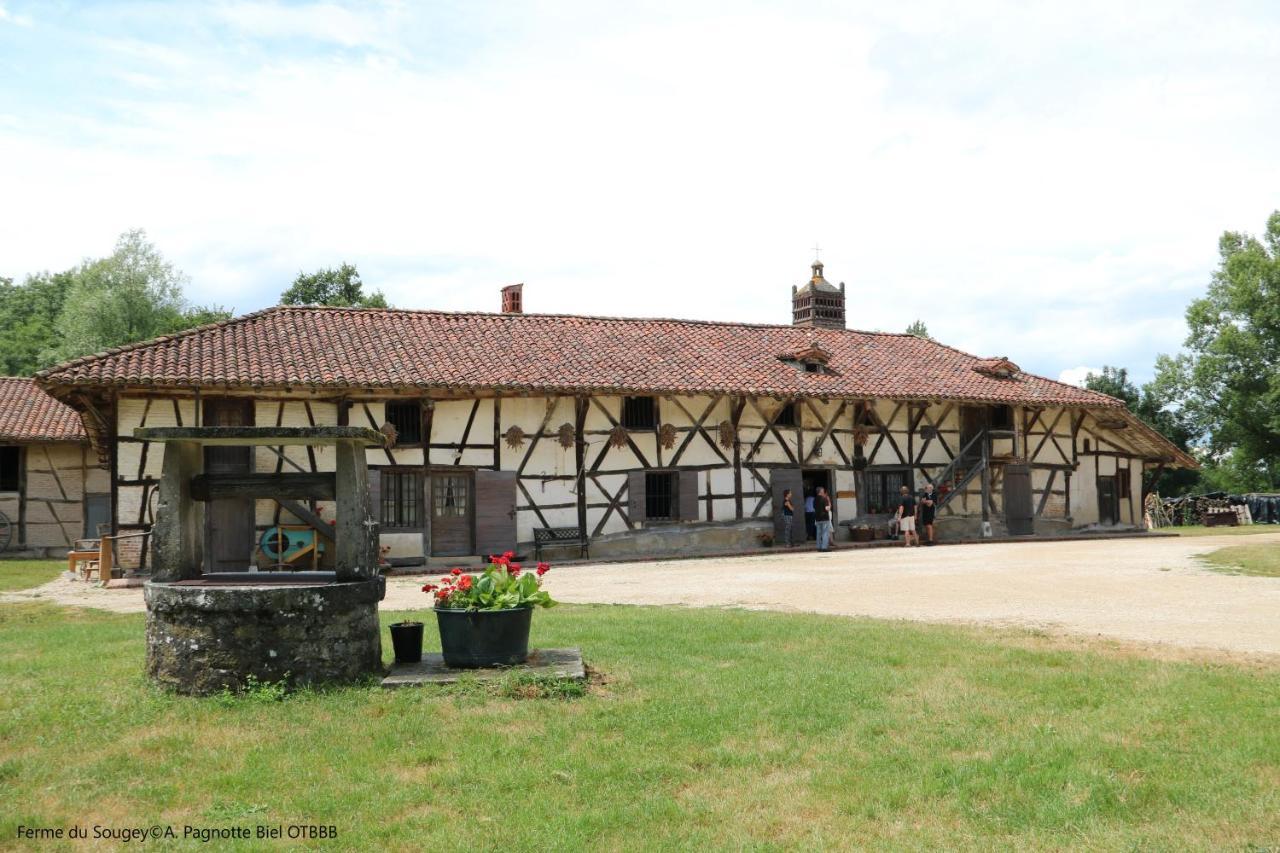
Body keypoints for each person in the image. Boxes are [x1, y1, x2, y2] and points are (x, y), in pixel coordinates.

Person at [814, 486, 834, 551]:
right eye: (823, 490)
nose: (824, 491)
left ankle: (818, 547)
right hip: (824, 518)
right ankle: (824, 547)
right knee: (825, 533)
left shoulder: (815, 499)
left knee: (818, 533)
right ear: (821, 491)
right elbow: (827, 508)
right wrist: (830, 506)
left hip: (817, 518)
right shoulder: (824, 499)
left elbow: (814, 507)